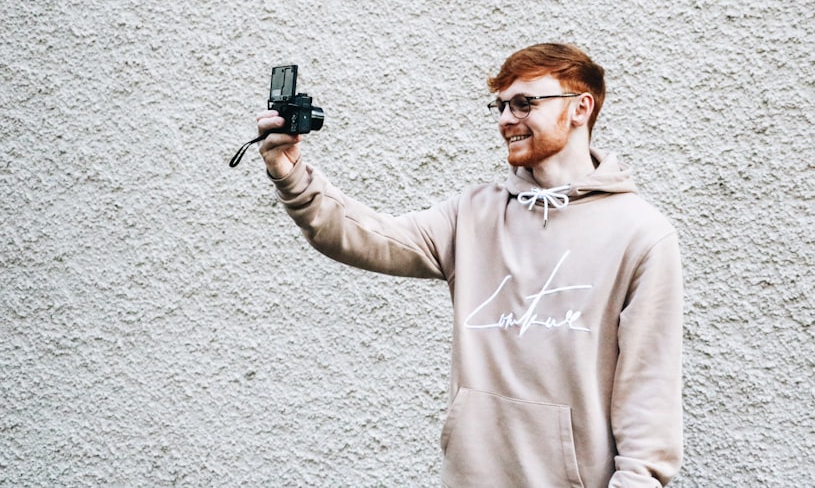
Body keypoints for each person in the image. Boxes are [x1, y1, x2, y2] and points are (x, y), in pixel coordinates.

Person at [256, 43, 683, 487]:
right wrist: (293, 176)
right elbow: (361, 236)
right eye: (500, 105)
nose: (505, 119)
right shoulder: (473, 214)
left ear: (581, 108)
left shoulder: (642, 235)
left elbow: (649, 403)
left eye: (524, 103)